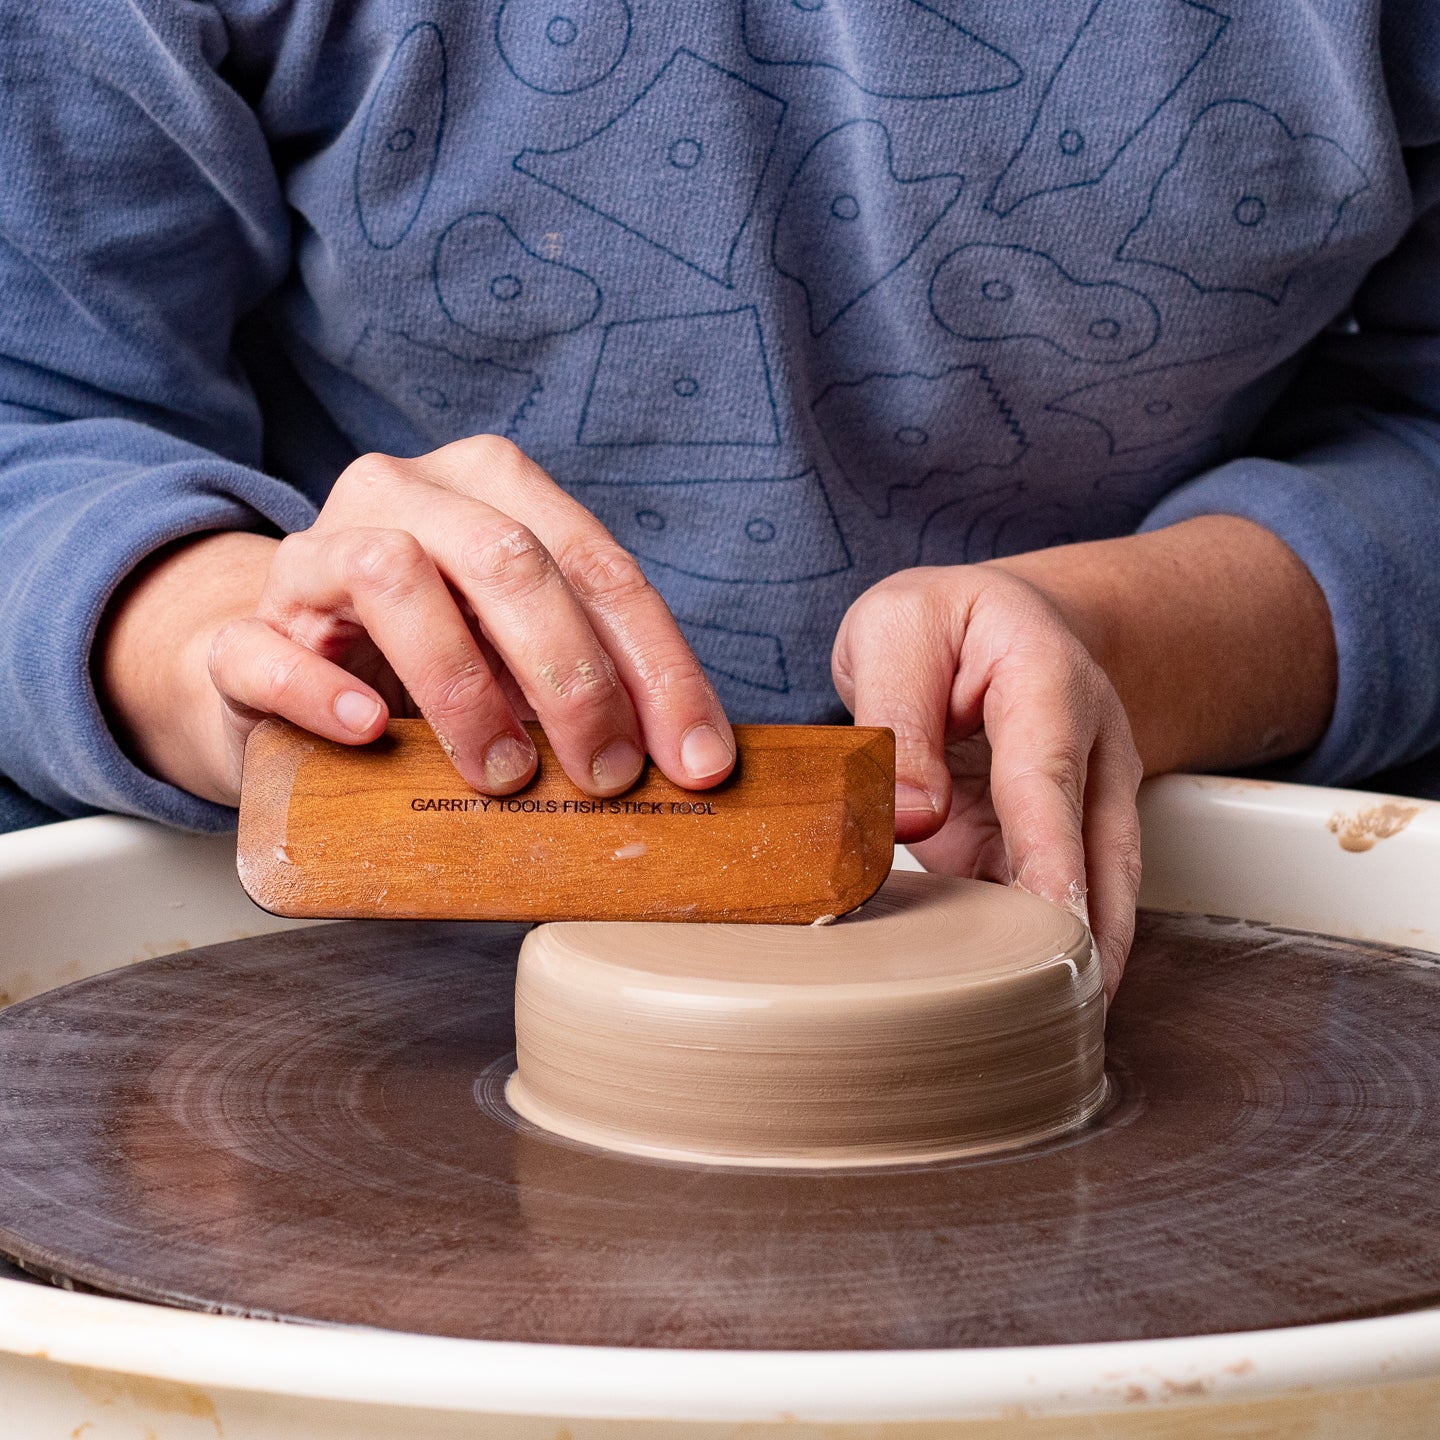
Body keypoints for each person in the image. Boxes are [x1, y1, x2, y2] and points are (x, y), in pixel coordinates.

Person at [4, 1, 1439, 999]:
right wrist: (217, 639)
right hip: (353, 967)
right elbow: (35, 415)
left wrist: (1147, 643)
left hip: (1162, 941)